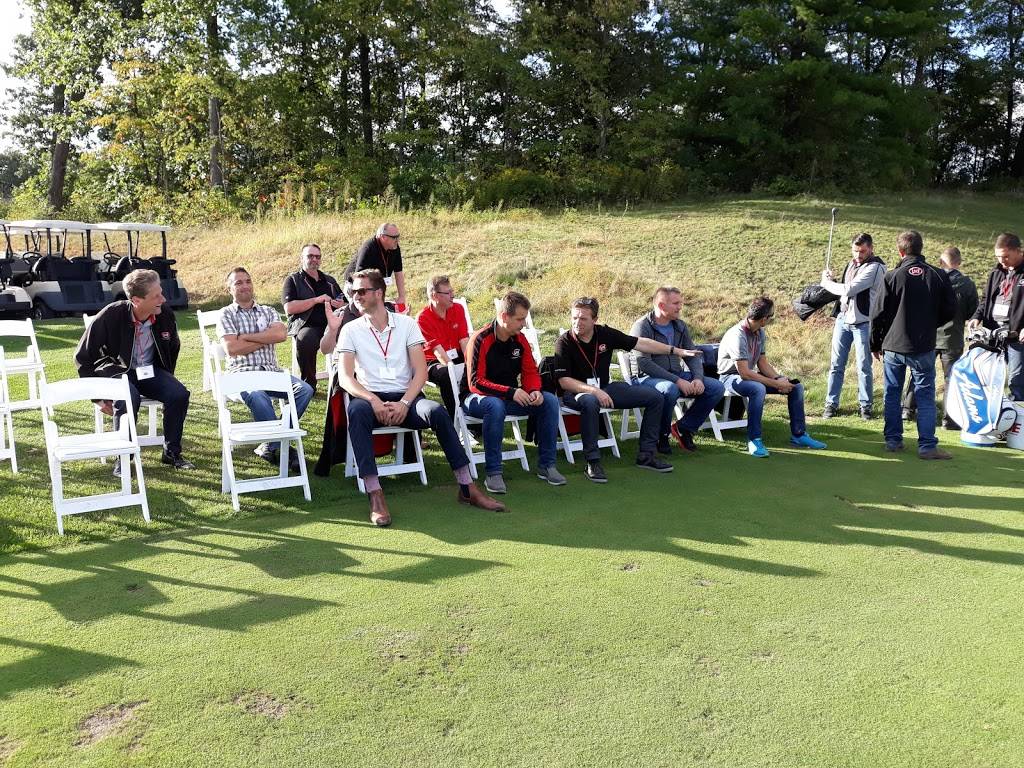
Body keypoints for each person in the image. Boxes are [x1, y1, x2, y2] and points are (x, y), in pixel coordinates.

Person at [336, 268, 504, 526]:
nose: (355, 296)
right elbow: (346, 378)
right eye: (353, 291)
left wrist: (405, 402)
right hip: (370, 398)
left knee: (437, 411)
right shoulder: (350, 329)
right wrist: (373, 401)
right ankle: (375, 494)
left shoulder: (406, 325)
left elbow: (421, 371)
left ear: (379, 293)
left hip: (408, 396)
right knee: (356, 411)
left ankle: (467, 487)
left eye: (361, 291)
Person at [555, 297, 693, 482]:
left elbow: (641, 343)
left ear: (594, 320)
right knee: (590, 401)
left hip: (605, 388)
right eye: (574, 318)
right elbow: (564, 381)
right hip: (576, 393)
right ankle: (593, 462)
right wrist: (594, 391)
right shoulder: (564, 341)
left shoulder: (605, 333)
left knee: (655, 397)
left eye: (583, 319)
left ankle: (647, 455)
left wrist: (675, 351)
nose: (577, 323)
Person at [74, 268, 194, 475]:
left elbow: (172, 347)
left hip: (150, 371)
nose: (163, 299)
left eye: (161, 293)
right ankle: (123, 458)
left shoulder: (165, 314)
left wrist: (167, 379)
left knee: (178, 394)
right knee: (129, 397)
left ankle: (172, 453)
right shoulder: (111, 314)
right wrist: (98, 398)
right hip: (118, 370)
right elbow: (82, 356)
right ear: (137, 300)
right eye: (156, 296)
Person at [463, 290, 566, 494]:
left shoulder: (520, 340)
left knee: (549, 401)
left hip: (508, 398)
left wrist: (534, 391)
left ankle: (547, 465)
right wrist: (511, 392)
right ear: (504, 317)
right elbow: (476, 383)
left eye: (524, 319)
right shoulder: (480, 339)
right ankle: (493, 472)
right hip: (475, 399)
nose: (524, 324)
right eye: (520, 319)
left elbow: (530, 372)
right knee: (495, 405)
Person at [869, 230, 957, 459]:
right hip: (923, 345)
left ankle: (893, 441)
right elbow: (951, 310)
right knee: (925, 396)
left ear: (900, 251)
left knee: (892, 393)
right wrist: (931, 324)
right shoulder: (938, 275)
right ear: (921, 248)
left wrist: (875, 343)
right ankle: (927, 446)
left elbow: (877, 314)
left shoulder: (892, 276)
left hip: (893, 345)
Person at [218, 267, 314, 472]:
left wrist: (246, 338)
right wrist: (265, 337)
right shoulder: (226, 314)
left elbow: (280, 335)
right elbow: (232, 348)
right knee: (258, 396)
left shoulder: (268, 311)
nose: (245, 286)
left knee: (305, 389)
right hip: (242, 374)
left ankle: (271, 444)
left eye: (248, 281)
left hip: (272, 373)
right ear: (229, 289)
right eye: (238, 283)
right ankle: (283, 446)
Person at [718, 297, 827, 457]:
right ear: (764, 319)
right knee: (758, 389)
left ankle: (799, 435)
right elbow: (744, 373)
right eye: (771, 316)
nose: (771, 319)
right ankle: (754, 440)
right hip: (729, 378)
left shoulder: (759, 332)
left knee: (796, 387)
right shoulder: (737, 335)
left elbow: (762, 363)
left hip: (748, 375)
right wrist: (775, 384)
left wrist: (779, 379)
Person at [629, 286, 726, 454]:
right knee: (670, 389)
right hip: (645, 378)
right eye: (676, 303)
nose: (680, 307)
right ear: (661, 305)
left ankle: (684, 428)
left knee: (716, 387)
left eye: (681, 303)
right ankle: (661, 435)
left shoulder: (680, 326)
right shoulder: (641, 326)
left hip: (676, 375)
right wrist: (677, 381)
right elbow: (644, 364)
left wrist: (697, 378)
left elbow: (692, 355)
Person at [903, 247, 978, 428]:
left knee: (918, 373)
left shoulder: (931, 279)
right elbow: (973, 311)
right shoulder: (967, 284)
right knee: (951, 379)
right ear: (959, 262)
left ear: (940, 262)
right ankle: (949, 419)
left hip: (928, 335)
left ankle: (907, 410)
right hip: (952, 337)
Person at [820, 233, 886, 420]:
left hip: (863, 322)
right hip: (843, 319)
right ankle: (831, 404)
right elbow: (844, 291)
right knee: (836, 364)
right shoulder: (852, 264)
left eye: (862, 251)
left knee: (864, 366)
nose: (858, 255)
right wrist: (832, 279)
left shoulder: (875, 267)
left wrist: (826, 283)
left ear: (871, 249)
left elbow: (849, 289)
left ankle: (865, 407)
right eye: (855, 251)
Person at [968, 232, 1024, 401]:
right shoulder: (996, 272)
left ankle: (1018, 413)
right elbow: (985, 299)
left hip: (1017, 336)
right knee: (989, 377)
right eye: (998, 256)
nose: (1002, 260)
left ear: (1018, 251)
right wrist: (976, 316)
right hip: (993, 334)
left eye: (1006, 256)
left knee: (1017, 380)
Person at [282, 243, 345, 390]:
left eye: (317, 257)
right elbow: (289, 308)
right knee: (305, 339)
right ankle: (309, 384)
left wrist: (340, 304)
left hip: (332, 324)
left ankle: (347, 378)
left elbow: (345, 303)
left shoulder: (329, 281)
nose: (314, 259)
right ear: (302, 258)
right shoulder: (293, 280)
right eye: (310, 256)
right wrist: (316, 300)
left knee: (354, 333)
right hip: (307, 325)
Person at [416, 275, 470, 419]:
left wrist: (470, 363)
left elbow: (464, 341)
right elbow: (438, 353)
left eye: (452, 291)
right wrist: (455, 370)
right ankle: (456, 420)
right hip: (432, 360)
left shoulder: (458, 308)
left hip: (455, 353)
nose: (453, 295)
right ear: (435, 296)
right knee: (447, 375)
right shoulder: (423, 318)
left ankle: (474, 418)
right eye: (448, 292)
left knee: (474, 368)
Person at [343, 223, 407, 312]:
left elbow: (398, 272)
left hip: (373, 288)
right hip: (356, 287)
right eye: (394, 237)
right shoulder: (368, 248)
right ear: (383, 237)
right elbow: (358, 277)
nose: (397, 240)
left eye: (398, 236)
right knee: (364, 314)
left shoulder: (394, 248)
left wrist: (401, 297)